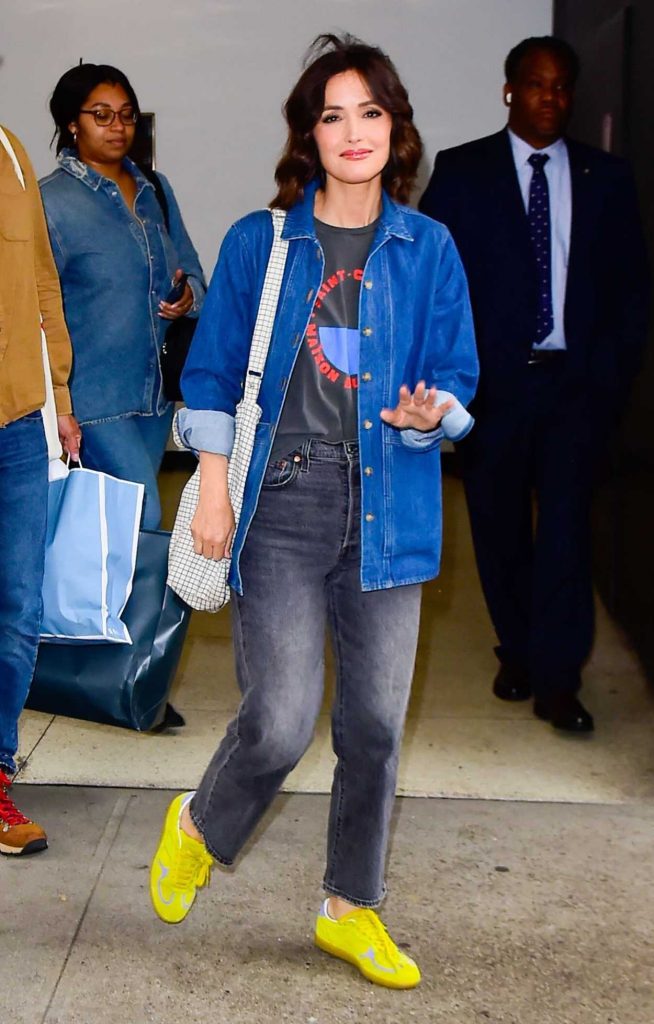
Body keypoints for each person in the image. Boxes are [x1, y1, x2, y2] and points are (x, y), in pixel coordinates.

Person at [149, 34, 478, 989]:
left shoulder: (431, 248)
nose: (353, 131)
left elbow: (457, 377)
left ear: (395, 128)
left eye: (369, 111)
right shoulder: (265, 241)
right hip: (282, 498)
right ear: (309, 134)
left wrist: (432, 415)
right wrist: (211, 487)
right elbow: (209, 372)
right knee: (282, 719)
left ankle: (350, 906)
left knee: (375, 726)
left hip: (392, 502)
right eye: (331, 114)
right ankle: (201, 825)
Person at [419, 36, 649, 733]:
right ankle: (516, 648)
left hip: (576, 389)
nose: (550, 98)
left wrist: (609, 374)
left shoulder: (606, 176)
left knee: (567, 536)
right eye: (536, 85)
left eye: (561, 87)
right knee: (499, 531)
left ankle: (558, 678)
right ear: (509, 90)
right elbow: (435, 282)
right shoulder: (463, 173)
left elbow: (631, 289)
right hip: (493, 390)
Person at [40, 64, 206, 530]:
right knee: (144, 518)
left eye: (127, 115)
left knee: (121, 531)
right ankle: (135, 608)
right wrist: (59, 404)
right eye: (102, 115)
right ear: (72, 124)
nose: (118, 127)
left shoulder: (155, 188)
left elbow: (194, 269)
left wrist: (188, 294)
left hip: (154, 396)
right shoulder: (50, 203)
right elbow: (38, 310)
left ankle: (119, 607)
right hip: (92, 398)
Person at [0, 125, 80, 855]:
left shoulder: (9, 148)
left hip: (19, 419)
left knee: (19, 607)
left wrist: (59, 397)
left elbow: (42, 281)